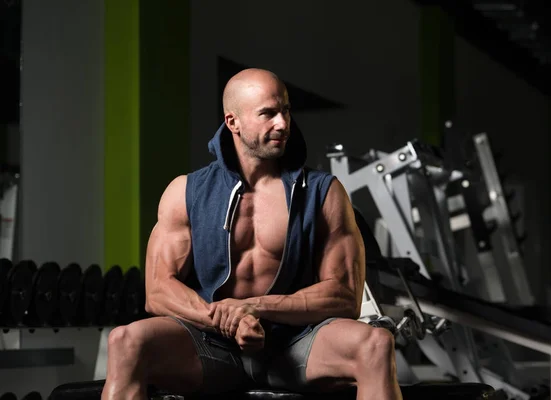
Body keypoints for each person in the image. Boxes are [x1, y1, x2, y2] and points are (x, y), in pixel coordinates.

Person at [101, 68, 403, 400]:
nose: (283, 124)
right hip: (213, 344)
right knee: (125, 342)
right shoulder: (185, 192)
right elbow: (157, 292)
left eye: (285, 110)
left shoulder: (323, 192)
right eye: (268, 114)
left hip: (297, 342)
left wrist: (255, 308)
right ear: (233, 122)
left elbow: (345, 296)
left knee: (375, 344)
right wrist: (226, 321)